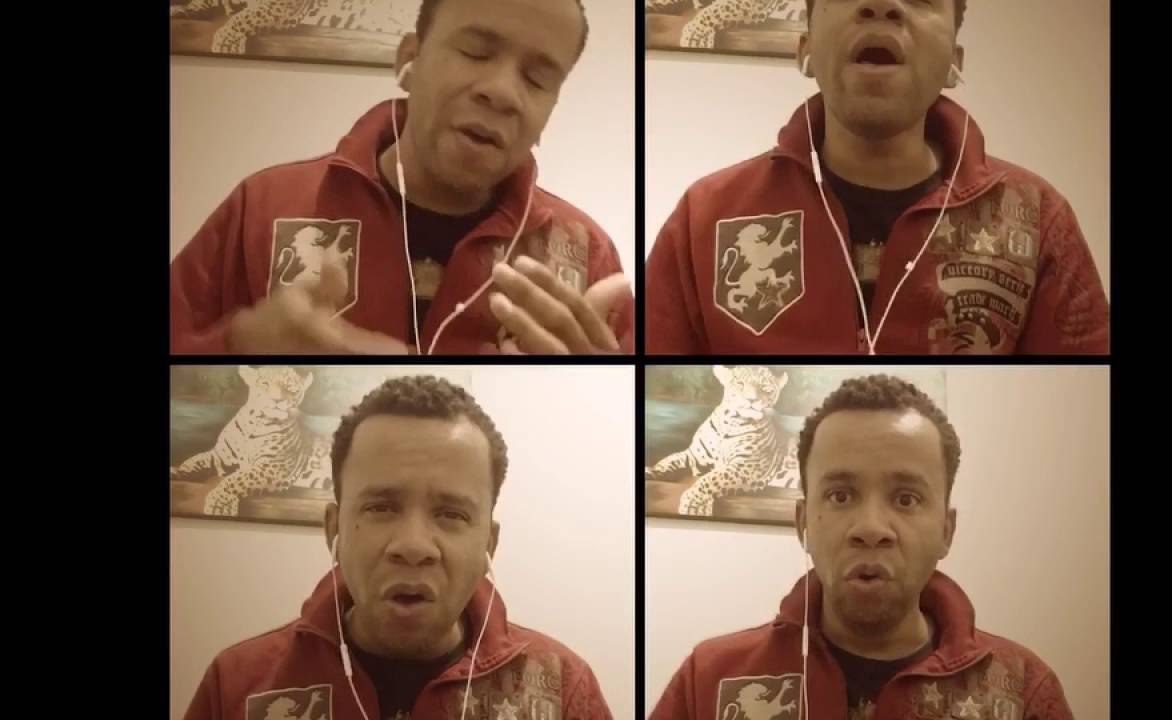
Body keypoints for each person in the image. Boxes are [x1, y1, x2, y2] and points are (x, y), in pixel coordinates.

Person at [644, 0, 1108, 354]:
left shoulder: (1038, 218)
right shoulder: (706, 216)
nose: (882, 5)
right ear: (805, 50)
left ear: (954, 62)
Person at [171, 0, 633, 355]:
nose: (502, 92)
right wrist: (237, 346)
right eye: (475, 52)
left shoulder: (585, 255)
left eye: (537, 79)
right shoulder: (266, 206)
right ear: (408, 60)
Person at [183, 375, 613, 720]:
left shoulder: (564, 689)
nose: (413, 546)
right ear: (334, 530)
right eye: (381, 507)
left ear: (489, 544)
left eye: (451, 514)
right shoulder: (238, 684)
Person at [649, 374, 1074, 719]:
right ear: (803, 524)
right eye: (840, 496)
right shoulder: (709, 680)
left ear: (946, 531)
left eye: (906, 499)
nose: (871, 529)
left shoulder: (1024, 690)